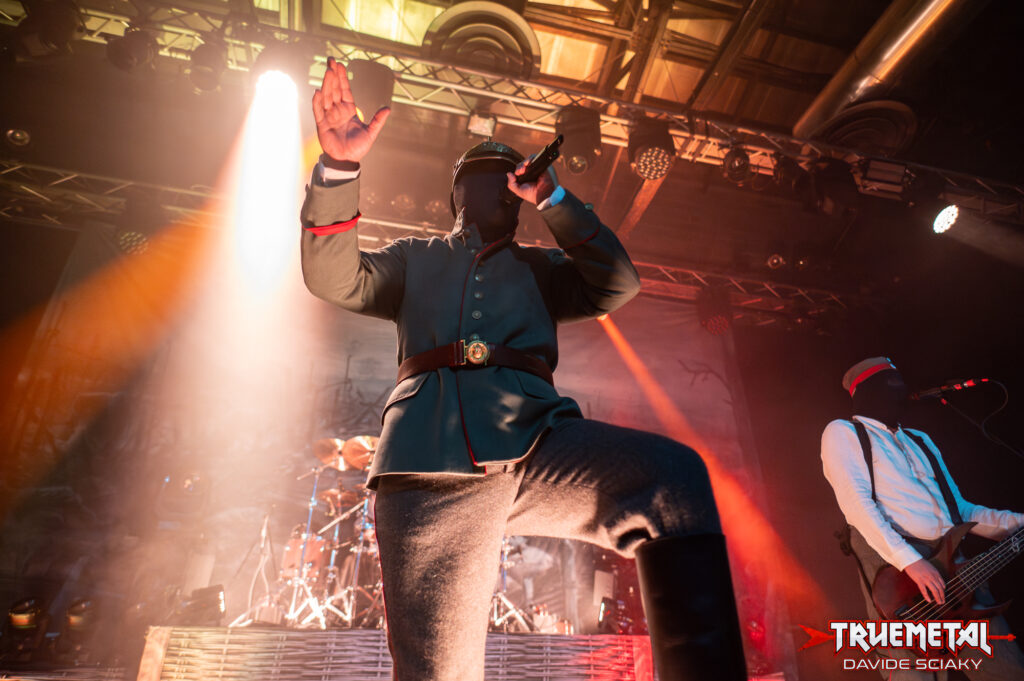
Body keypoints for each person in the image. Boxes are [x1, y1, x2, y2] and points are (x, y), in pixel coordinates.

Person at [299, 56, 747, 681]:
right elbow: (331, 278)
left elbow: (618, 284)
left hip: (540, 444)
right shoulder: (414, 259)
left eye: (507, 180)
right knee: (438, 674)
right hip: (429, 465)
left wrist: (555, 200)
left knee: (673, 481)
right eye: (481, 178)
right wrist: (339, 167)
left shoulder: (543, 270)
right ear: (455, 197)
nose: (496, 189)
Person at [821, 357, 1024, 680]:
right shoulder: (843, 432)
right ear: (868, 391)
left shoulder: (920, 439)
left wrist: (1018, 523)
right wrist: (911, 561)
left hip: (957, 574)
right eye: (889, 383)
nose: (899, 390)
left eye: (899, 382)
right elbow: (856, 505)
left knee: (1008, 671)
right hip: (901, 581)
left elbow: (960, 511)